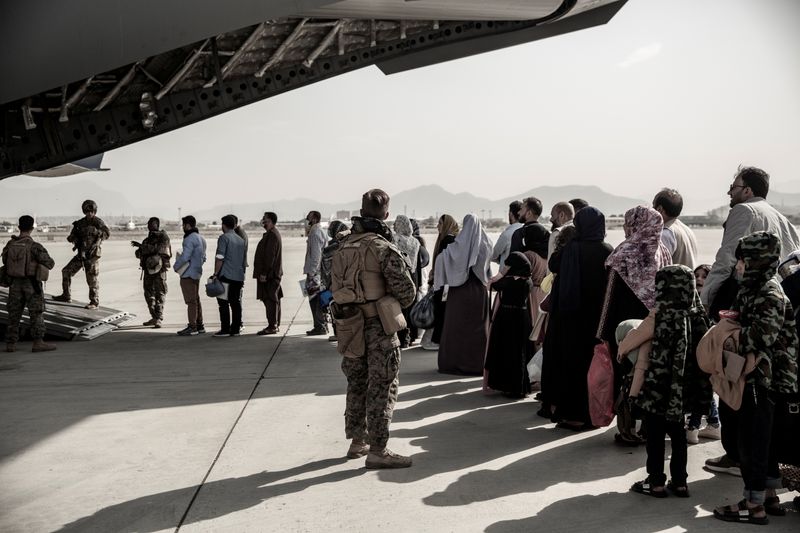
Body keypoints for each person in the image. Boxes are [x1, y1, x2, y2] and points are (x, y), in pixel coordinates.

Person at [701, 166, 800, 475]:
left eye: (734, 185)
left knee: (731, 371)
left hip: (740, 301)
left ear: (747, 190)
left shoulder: (743, 210)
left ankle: (737, 454)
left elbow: (726, 258)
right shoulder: (778, 215)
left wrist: (704, 300)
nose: (729, 192)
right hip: (775, 306)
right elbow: (794, 257)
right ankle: (760, 456)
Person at [713, 232, 799, 524]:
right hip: (756, 377)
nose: (738, 265)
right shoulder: (754, 288)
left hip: (765, 379)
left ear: (757, 261)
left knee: (753, 441)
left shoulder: (769, 293)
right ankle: (769, 497)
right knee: (765, 439)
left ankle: (753, 505)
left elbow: (761, 337)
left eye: (742, 259)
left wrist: (727, 334)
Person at [330, 188, 417, 468]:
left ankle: (358, 442)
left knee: (356, 382)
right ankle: (378, 450)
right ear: (386, 215)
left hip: (349, 325)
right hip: (378, 328)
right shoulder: (382, 248)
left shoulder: (342, 246)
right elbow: (406, 292)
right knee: (381, 385)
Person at [627, 265, 711, 498]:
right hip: (685, 390)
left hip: (656, 388)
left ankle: (655, 482)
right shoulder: (700, 318)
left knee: (654, 435)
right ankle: (681, 482)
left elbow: (634, 346)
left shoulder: (659, 316)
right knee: (678, 435)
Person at [597, 205, 672, 445]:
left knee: (626, 379)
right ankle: (648, 428)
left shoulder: (624, 253)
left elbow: (609, 296)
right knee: (649, 376)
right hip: (653, 327)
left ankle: (628, 429)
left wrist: (602, 333)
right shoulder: (662, 251)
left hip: (625, 330)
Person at [543, 207, 613, 428]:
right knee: (591, 368)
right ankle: (591, 415)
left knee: (569, 365)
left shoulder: (571, 249)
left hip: (568, 319)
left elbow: (553, 266)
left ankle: (569, 414)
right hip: (595, 320)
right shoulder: (607, 250)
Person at [433, 214, 493, 375]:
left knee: (456, 327)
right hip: (479, 292)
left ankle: (453, 363)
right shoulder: (486, 244)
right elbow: (486, 270)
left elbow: (441, 260)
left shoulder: (458, 246)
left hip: (459, 291)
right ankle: (476, 364)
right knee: (478, 329)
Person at [2, 215, 56, 353]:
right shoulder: (35, 246)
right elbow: (50, 263)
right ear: (32, 228)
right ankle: (38, 342)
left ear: (19, 227)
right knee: (36, 313)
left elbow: (5, 261)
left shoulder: (10, 244)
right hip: (31, 284)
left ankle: (11, 344)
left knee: (14, 314)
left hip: (14, 284)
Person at [485, 252, 533, 397]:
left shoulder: (509, 281)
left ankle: (507, 385)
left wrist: (501, 273)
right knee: (520, 352)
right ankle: (519, 387)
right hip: (522, 316)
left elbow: (491, 285)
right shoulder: (528, 281)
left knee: (506, 351)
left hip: (507, 317)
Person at [686, 263, 721, 444]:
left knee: (702, 386)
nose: (699, 279)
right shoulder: (689, 300)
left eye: (704, 276)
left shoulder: (709, 304)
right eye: (696, 275)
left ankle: (693, 426)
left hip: (705, 356)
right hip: (695, 356)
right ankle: (714, 423)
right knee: (703, 387)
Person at [53, 199, 110, 309]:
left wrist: (97, 232)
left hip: (92, 256)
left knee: (92, 279)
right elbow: (72, 235)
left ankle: (94, 302)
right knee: (66, 271)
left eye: (91, 211)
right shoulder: (80, 223)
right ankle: (66, 295)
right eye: (87, 211)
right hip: (81, 255)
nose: (89, 214)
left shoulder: (98, 222)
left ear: (94, 211)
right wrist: (73, 238)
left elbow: (107, 233)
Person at [131, 217, 172, 328]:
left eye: (152, 223)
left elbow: (161, 250)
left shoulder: (163, 237)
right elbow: (139, 254)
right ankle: (154, 316)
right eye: (148, 224)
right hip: (148, 271)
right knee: (148, 294)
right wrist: (140, 250)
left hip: (159, 270)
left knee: (160, 293)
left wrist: (142, 247)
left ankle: (158, 317)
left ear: (157, 225)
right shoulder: (147, 240)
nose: (149, 225)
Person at [212, 214, 246, 337]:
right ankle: (236, 328)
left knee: (223, 303)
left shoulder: (223, 238)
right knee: (235, 303)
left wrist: (216, 273)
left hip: (226, 275)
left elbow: (220, 257)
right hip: (238, 276)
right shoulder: (241, 240)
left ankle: (225, 329)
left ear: (224, 225)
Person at [428, 214, 459, 347]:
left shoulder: (448, 240)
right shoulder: (449, 239)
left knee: (441, 309)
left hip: (444, 284)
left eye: (440, 224)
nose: (437, 226)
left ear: (446, 225)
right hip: (444, 283)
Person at [174, 215, 207, 336]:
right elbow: (204, 257)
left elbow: (185, 256)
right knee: (196, 299)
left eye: (183, 225)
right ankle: (200, 325)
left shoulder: (189, 239)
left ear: (187, 225)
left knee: (191, 301)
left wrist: (176, 266)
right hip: (197, 273)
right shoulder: (201, 238)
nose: (183, 227)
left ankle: (192, 326)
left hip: (188, 274)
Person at [253, 212, 283, 335]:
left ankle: (272, 325)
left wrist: (264, 273)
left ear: (270, 221)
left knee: (270, 299)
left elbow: (270, 256)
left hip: (270, 275)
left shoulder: (272, 235)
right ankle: (275, 324)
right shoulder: (271, 234)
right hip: (271, 274)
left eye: (265, 220)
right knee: (273, 298)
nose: (263, 222)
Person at [393, 215, 420, 348]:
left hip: (400, 277)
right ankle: (409, 337)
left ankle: (401, 337)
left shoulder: (396, 239)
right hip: (413, 277)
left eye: (395, 223)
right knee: (409, 308)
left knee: (399, 310)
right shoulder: (415, 241)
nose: (393, 226)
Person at [653, 188, 698, 269]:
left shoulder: (665, 233)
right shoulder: (687, 230)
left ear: (659, 209)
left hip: (673, 281)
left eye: (653, 206)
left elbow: (656, 266)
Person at [320, 220, 349, 341]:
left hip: (334, 284)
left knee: (335, 309)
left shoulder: (331, 247)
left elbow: (326, 268)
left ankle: (338, 333)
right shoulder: (349, 244)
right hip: (347, 283)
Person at [304, 210, 328, 336]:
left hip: (315, 273)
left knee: (315, 300)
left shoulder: (315, 232)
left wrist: (312, 273)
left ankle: (319, 326)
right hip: (317, 272)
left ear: (313, 218)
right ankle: (321, 325)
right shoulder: (318, 231)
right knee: (317, 299)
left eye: (308, 216)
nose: (306, 218)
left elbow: (316, 255)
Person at [491, 201, 524, 267]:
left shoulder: (507, 234)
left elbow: (494, 255)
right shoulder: (526, 230)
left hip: (507, 274)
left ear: (511, 214)